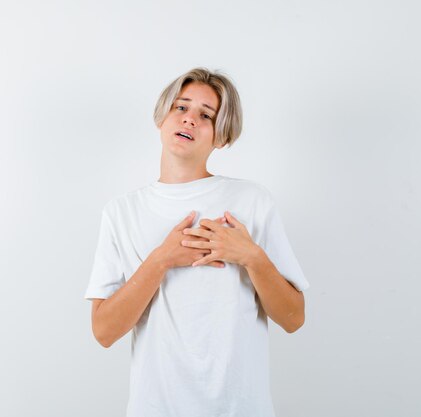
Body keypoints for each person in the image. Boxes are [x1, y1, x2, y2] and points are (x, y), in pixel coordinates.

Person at [83, 67, 309, 417]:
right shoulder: (122, 212)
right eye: (181, 107)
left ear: (222, 136)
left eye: (206, 115)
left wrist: (252, 257)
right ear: (162, 118)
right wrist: (161, 260)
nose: (189, 120)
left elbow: (294, 319)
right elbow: (104, 331)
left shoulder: (251, 201)